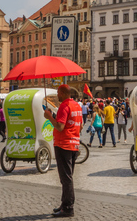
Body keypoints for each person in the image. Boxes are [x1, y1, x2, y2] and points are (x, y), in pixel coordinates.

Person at [43, 84, 82, 218]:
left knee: (66, 178)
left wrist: (49, 117)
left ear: (63, 93)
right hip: (73, 144)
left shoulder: (64, 106)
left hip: (63, 144)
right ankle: (64, 203)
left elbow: (59, 126)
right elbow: (80, 125)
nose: (57, 96)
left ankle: (68, 207)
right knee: (67, 177)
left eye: (58, 93)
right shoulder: (76, 105)